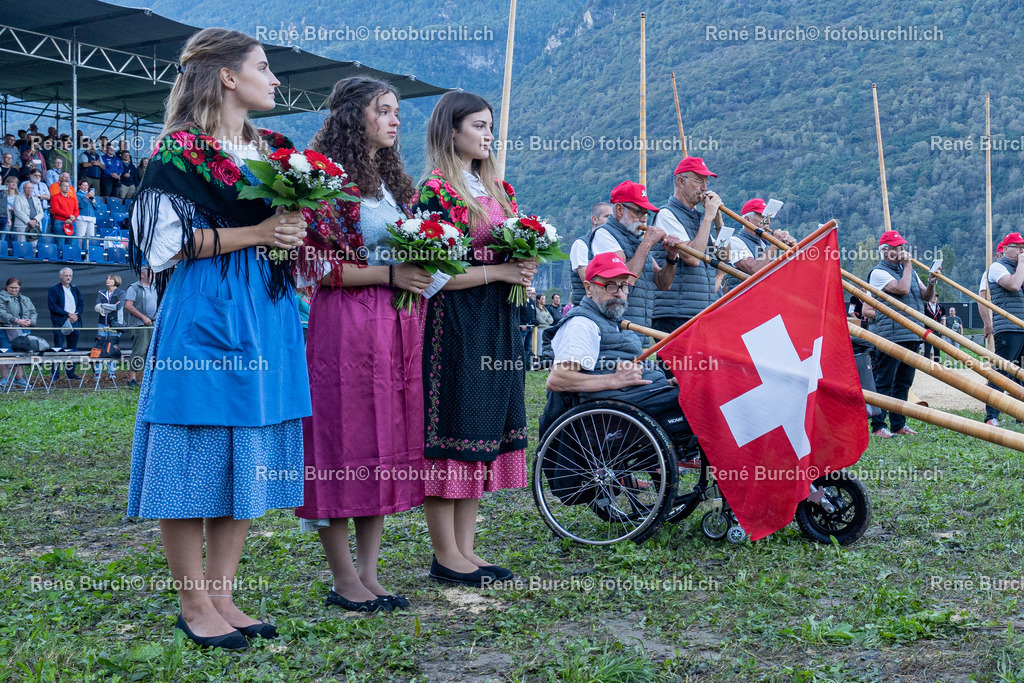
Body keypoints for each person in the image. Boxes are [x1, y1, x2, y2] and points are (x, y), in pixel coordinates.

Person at [126, 28, 310, 651]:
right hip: (205, 310)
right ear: (228, 77)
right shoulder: (178, 154)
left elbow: (288, 234)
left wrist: (290, 232)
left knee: (245, 450)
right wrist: (259, 235)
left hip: (266, 309)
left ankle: (224, 591)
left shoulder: (278, 153)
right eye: (264, 67)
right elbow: (160, 249)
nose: (275, 79)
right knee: (192, 447)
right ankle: (191, 600)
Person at [293, 76, 430, 613]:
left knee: (383, 443)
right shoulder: (324, 178)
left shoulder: (394, 180)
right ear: (355, 116)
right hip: (345, 324)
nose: (396, 120)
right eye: (385, 111)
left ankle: (370, 574)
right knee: (341, 442)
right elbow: (311, 264)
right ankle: (343, 577)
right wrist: (388, 274)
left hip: (397, 326)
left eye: (398, 111)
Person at [413, 91, 537, 587]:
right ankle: (445, 553)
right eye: (480, 126)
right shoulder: (435, 192)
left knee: (483, 426)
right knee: (455, 425)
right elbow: (434, 275)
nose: (489, 135)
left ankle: (467, 549)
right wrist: (501, 269)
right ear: (451, 130)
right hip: (457, 322)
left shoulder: (495, 188)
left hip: (497, 320)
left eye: (491, 127)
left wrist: (522, 267)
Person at [543, 252, 691, 442]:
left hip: (638, 399)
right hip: (615, 413)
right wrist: (615, 379)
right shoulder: (582, 324)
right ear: (588, 288)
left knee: (695, 389)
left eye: (623, 286)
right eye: (610, 285)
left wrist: (666, 384)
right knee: (699, 398)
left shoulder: (611, 320)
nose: (620, 294)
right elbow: (558, 380)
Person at [868, 230, 937, 437]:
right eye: (897, 248)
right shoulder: (878, 273)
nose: (902, 251)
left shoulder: (910, 272)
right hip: (891, 334)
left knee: (903, 382)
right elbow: (902, 289)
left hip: (912, 332)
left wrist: (932, 281)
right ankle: (879, 426)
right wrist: (908, 266)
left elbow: (925, 296)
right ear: (885, 251)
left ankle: (898, 424)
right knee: (884, 381)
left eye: (902, 247)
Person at [588, 181, 682, 327]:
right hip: (617, 325)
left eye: (646, 213)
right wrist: (647, 243)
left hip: (641, 324)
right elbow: (625, 279)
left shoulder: (637, 240)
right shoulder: (604, 235)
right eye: (638, 212)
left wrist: (671, 257)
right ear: (619, 209)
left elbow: (664, 284)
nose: (644, 219)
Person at [651, 156, 723, 334]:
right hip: (676, 312)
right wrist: (708, 217)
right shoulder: (666, 214)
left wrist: (718, 222)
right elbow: (693, 257)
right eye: (699, 181)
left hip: (698, 309)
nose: (705, 188)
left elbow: (722, 258)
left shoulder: (698, 219)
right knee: (680, 363)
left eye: (706, 182)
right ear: (681, 182)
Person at [983, 232, 1024, 427]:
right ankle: (992, 416)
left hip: (1022, 326)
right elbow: (1014, 285)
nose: (1021, 250)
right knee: (1002, 372)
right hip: (1008, 327)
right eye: (1017, 246)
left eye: (1023, 246)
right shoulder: (997, 267)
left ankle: (1020, 414)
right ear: (1006, 249)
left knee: (1022, 374)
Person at [724, 198, 796, 292]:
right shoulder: (734, 242)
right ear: (747, 219)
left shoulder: (764, 244)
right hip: (744, 300)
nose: (768, 223)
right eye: (762, 217)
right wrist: (775, 244)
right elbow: (754, 270)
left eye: (768, 218)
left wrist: (791, 250)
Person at [568, 202, 612, 305]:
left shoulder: (612, 246)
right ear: (594, 219)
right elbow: (588, 279)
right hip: (586, 306)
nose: (611, 221)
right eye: (607, 217)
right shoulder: (581, 244)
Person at [47, 267, 83, 379]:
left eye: (70, 276)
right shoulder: (54, 290)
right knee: (58, 347)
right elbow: (52, 306)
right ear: (60, 276)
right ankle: (55, 373)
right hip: (60, 321)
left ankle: (70, 373)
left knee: (72, 348)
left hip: (74, 321)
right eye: (66, 275)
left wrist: (76, 315)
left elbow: (81, 304)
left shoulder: (75, 289)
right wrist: (68, 314)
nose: (68, 277)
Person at [123, 266, 157, 388]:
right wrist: (143, 317)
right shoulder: (134, 287)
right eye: (150, 272)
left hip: (153, 323)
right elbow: (128, 305)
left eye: (153, 272)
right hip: (140, 325)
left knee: (152, 352)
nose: (153, 274)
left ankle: (149, 379)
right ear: (142, 275)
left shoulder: (154, 287)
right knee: (140, 351)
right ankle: (132, 379)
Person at [0, 278, 37, 388]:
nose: (14, 290)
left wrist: (30, 321)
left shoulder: (25, 299)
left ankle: (18, 378)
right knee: (6, 353)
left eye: (16, 288)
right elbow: (1, 313)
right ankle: (5, 378)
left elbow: (33, 312)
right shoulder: (1, 297)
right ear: (6, 287)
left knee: (21, 353)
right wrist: (16, 320)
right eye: (12, 288)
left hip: (24, 329)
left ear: (20, 288)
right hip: (7, 329)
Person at [93, 274, 126, 381]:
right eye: (107, 278)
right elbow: (97, 307)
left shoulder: (121, 292)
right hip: (102, 323)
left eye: (110, 279)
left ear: (116, 280)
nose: (108, 280)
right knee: (100, 346)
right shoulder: (101, 292)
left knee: (113, 347)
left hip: (115, 324)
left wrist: (103, 306)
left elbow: (119, 307)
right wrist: (107, 307)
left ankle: (111, 372)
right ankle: (97, 372)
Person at [50, 179, 79, 248]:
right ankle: (58, 258)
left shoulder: (72, 199)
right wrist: (69, 216)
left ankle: (67, 258)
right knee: (59, 244)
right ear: (60, 188)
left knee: (69, 245)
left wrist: (73, 217)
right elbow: (56, 210)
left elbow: (76, 210)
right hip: (60, 222)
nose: (67, 188)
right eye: (64, 186)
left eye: (68, 186)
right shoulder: (55, 197)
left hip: (71, 222)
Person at [922, 294, 945, 362]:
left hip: (937, 330)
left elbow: (943, 318)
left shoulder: (940, 307)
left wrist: (942, 329)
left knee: (937, 348)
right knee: (927, 348)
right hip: (928, 330)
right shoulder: (925, 306)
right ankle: (926, 364)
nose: (934, 298)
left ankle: (937, 364)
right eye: (933, 296)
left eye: (936, 296)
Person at [76, 180, 98, 249]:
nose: (86, 187)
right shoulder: (77, 194)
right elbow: (80, 205)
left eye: (87, 185)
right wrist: (86, 197)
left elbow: (96, 207)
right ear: (79, 186)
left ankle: (89, 251)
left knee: (91, 236)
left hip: (91, 217)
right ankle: (79, 252)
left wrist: (93, 199)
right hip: (82, 217)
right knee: (80, 236)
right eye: (84, 185)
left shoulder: (91, 195)